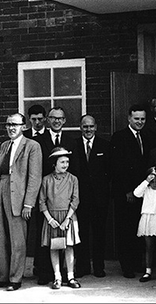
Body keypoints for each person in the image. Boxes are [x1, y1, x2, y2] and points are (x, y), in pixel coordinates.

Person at [0, 113, 42, 291]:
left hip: (18, 195)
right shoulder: (4, 145)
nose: (11, 128)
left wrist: (28, 204)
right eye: (9, 124)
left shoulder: (32, 146)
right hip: (0, 190)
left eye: (15, 125)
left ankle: (15, 278)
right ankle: (2, 276)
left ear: (23, 127)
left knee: (18, 239)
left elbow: (34, 177)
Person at [33, 106, 77, 285]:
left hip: (66, 200)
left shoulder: (71, 140)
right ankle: (46, 273)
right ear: (48, 120)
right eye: (53, 118)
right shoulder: (38, 140)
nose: (57, 121)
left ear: (64, 120)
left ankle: (70, 274)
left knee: (68, 244)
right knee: (48, 242)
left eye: (60, 118)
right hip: (47, 197)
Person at [111, 104, 152, 278]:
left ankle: (137, 263)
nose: (140, 122)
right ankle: (127, 265)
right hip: (126, 193)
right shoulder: (119, 137)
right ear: (129, 118)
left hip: (145, 191)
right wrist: (127, 191)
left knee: (139, 228)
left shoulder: (148, 136)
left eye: (142, 119)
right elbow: (116, 167)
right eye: (136, 119)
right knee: (126, 229)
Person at [73, 114, 111, 278]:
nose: (88, 129)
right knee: (81, 233)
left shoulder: (105, 145)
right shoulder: (74, 145)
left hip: (99, 198)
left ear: (96, 127)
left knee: (99, 233)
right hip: (80, 198)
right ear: (80, 127)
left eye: (91, 126)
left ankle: (98, 267)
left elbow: (109, 172)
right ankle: (82, 266)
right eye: (85, 126)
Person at [39, 147, 81, 290]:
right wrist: (50, 219)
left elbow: (75, 201)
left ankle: (70, 276)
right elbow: (42, 202)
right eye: (62, 162)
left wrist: (67, 219)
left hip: (68, 217)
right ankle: (57, 277)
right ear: (54, 163)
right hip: (52, 218)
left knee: (69, 247)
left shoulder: (73, 179)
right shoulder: (46, 180)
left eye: (67, 162)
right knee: (54, 247)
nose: (65, 165)